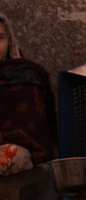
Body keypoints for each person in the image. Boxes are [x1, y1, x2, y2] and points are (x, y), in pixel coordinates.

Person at [0, 11, 57, 164]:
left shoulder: (24, 75)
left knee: (11, 156)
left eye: (0, 38)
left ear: (10, 41)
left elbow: (33, 131)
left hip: (14, 149)